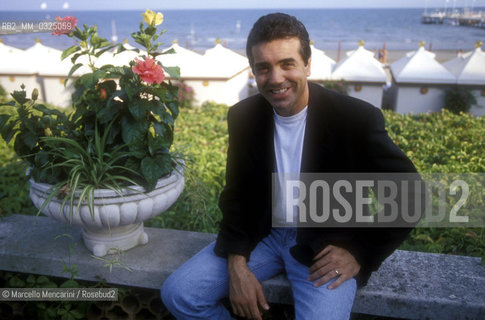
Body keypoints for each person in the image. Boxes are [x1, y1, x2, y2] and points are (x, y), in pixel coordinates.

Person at [162, 13, 418, 320]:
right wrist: (236, 263)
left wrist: (361, 253)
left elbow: (411, 194)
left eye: (287, 63)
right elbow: (238, 196)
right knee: (179, 294)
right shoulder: (243, 117)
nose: (276, 78)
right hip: (263, 236)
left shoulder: (355, 119)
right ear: (254, 72)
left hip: (325, 246)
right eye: (264, 68)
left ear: (307, 65)